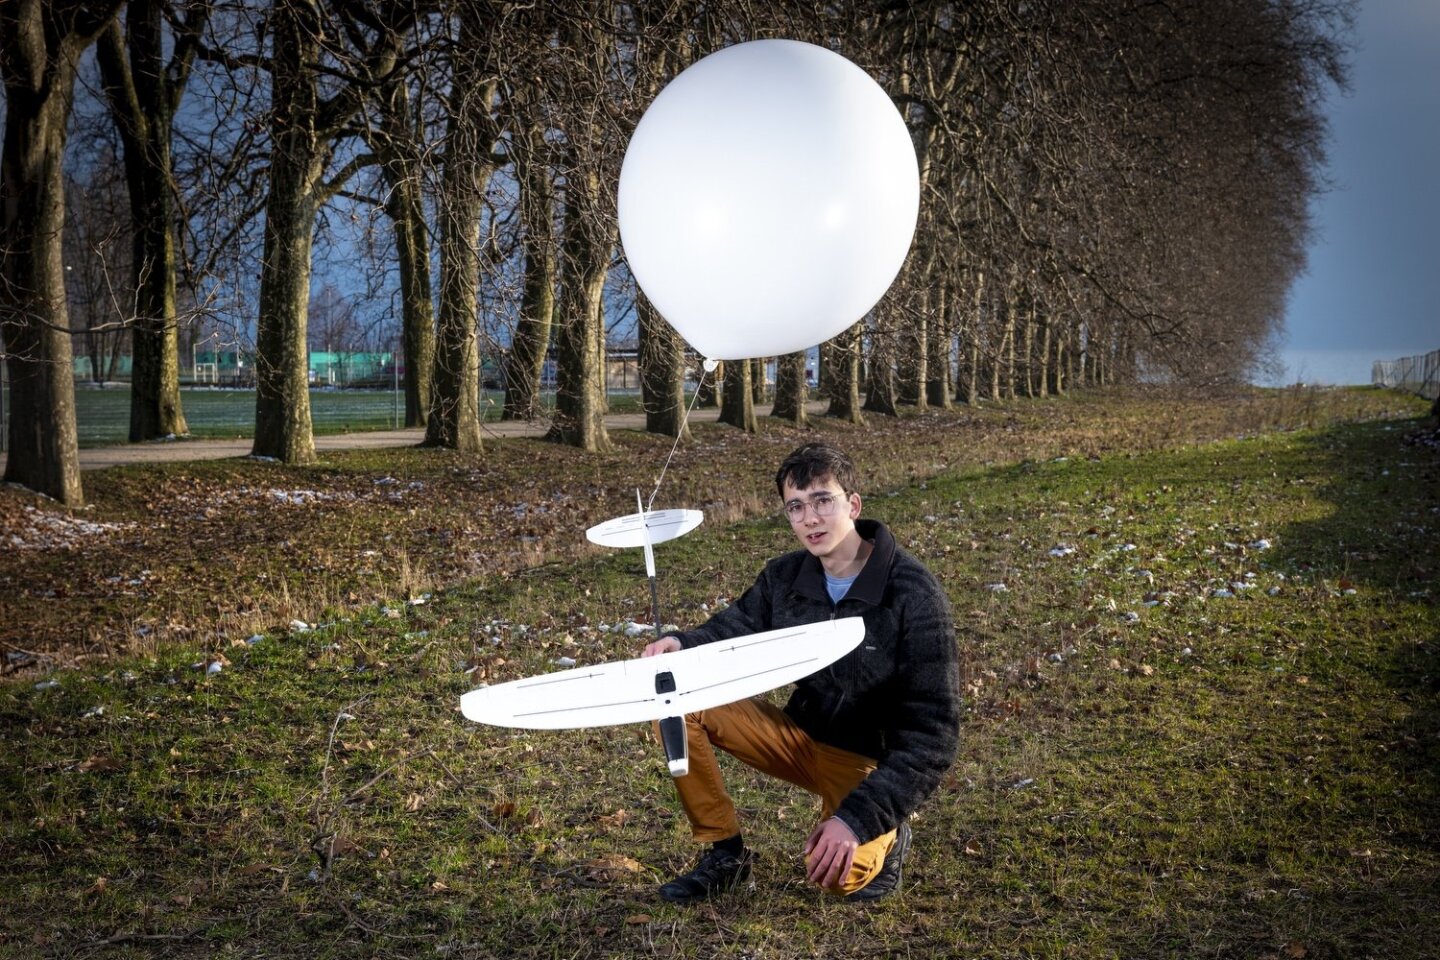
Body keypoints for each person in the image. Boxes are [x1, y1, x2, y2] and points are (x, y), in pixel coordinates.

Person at [640, 442, 960, 903]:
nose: (810, 519)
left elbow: (936, 735)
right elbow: (736, 626)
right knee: (677, 700)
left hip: (869, 764)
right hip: (802, 738)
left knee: (837, 880)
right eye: (796, 507)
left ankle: (888, 838)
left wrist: (861, 818)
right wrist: (681, 643)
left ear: (853, 504)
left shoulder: (912, 592)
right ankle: (725, 854)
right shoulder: (786, 576)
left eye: (822, 501)